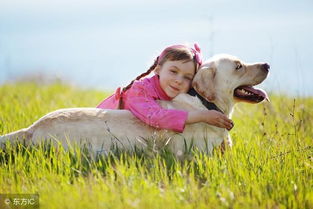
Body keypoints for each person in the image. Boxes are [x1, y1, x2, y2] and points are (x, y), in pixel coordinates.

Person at [97, 43, 233, 133]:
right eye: (173, 71)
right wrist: (202, 116)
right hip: (100, 128)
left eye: (187, 77)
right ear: (158, 69)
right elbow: (156, 117)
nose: (179, 80)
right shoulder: (140, 90)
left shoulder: (181, 95)